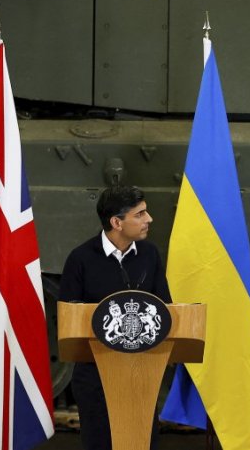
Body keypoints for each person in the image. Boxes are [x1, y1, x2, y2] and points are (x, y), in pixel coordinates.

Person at [59, 185, 172, 450]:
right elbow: (69, 319)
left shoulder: (150, 254)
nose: (149, 219)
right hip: (95, 378)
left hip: (142, 373)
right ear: (116, 223)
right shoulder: (80, 259)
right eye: (140, 214)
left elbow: (165, 307)